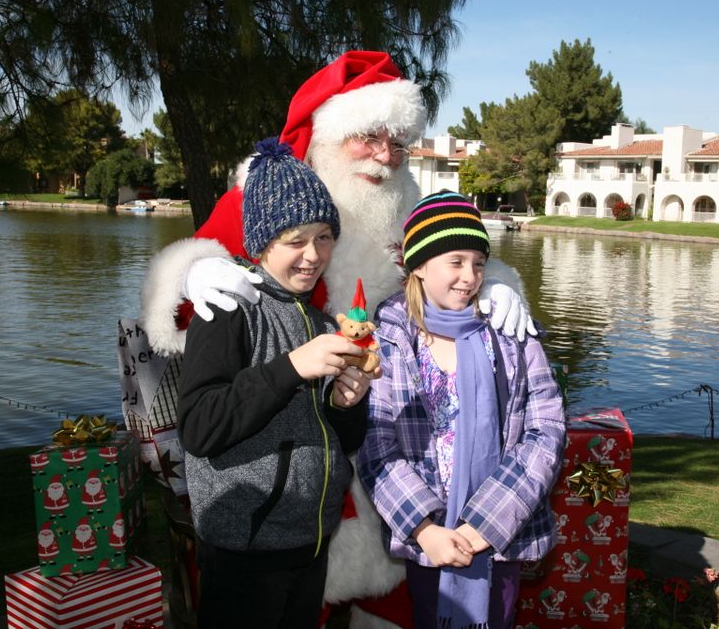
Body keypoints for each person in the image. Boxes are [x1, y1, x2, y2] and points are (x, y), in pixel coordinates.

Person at [140, 50, 535, 627]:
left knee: (389, 600)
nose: (385, 155)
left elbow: (456, 256)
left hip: (392, 448)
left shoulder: (410, 207)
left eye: (398, 144)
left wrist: (497, 283)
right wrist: (194, 269)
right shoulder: (274, 194)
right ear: (332, 133)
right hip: (259, 507)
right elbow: (185, 317)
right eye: (367, 137)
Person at [177, 138, 374, 629]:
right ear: (263, 242)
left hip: (309, 544)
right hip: (245, 551)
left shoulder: (323, 322)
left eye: (325, 237)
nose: (313, 256)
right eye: (295, 240)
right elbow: (199, 427)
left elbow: (340, 440)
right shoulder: (228, 309)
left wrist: (350, 406)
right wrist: (291, 368)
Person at [358, 191, 566, 629]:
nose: (469, 277)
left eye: (478, 262)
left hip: (501, 535)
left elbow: (545, 427)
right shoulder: (391, 336)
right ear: (418, 265)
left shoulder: (510, 330)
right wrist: (423, 528)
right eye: (455, 262)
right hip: (430, 538)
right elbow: (377, 441)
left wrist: (487, 524)